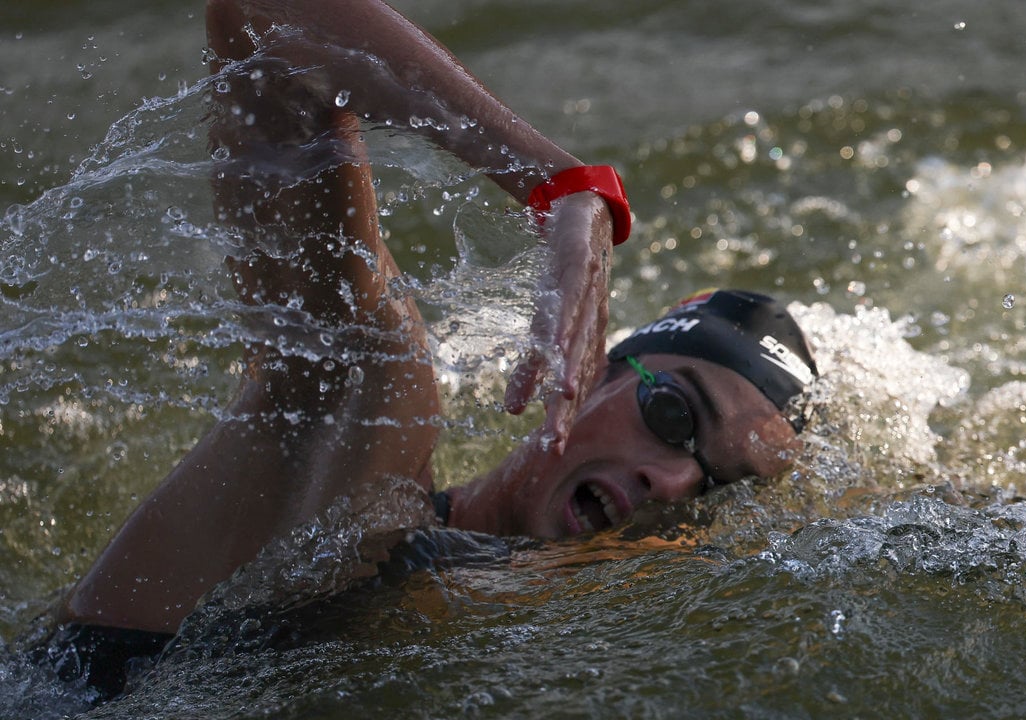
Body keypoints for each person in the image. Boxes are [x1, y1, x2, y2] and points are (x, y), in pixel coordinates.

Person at [35, 0, 817, 701]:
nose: (675, 480)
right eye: (674, 415)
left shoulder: (552, 638)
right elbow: (262, 23)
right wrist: (563, 185)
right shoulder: (363, 462)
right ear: (590, 370)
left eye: (717, 487)